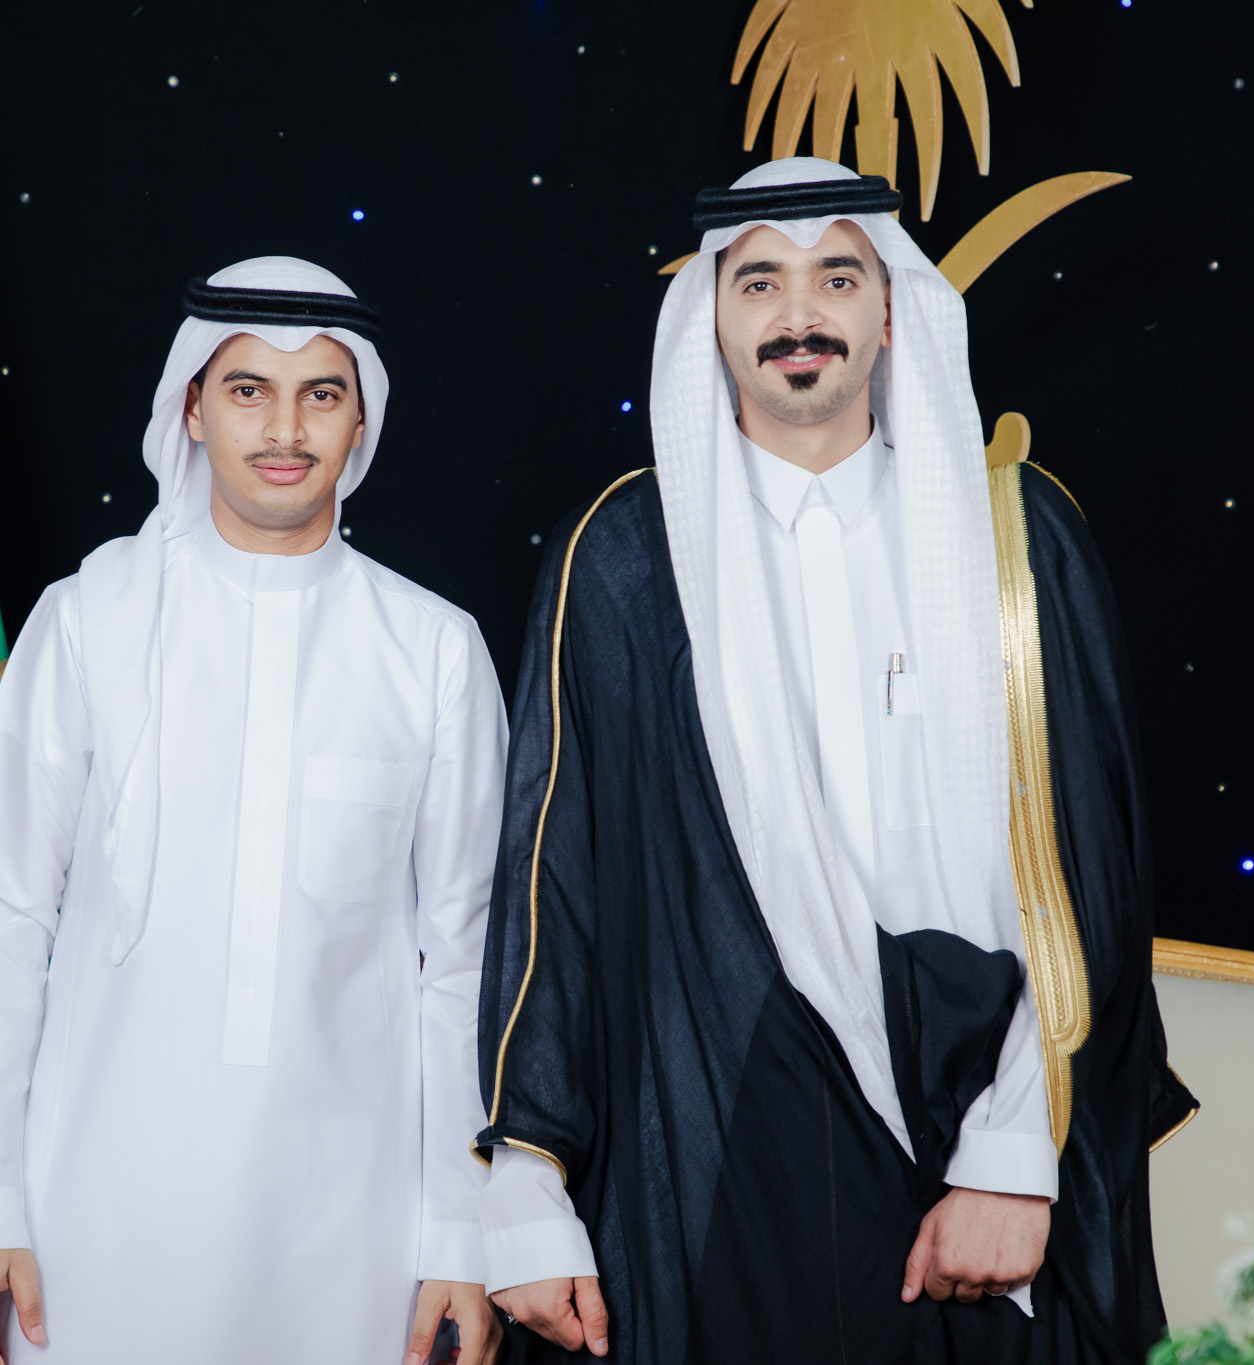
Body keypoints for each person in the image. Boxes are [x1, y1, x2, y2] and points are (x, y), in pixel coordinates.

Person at [473, 159, 1197, 1362]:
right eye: (758, 281)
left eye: (837, 278)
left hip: (981, 1136)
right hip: (730, 1121)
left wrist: (1016, 1153)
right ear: (710, 318)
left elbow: (1094, 868)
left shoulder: (1019, 540)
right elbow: (557, 878)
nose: (797, 313)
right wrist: (525, 1178)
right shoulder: (624, 555)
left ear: (891, 309)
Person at [0, 258, 504, 1365]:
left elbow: (465, 964)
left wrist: (461, 1235)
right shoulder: (87, 619)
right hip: (87, 1217)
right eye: (247, 391)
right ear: (190, 408)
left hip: (358, 1232)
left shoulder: (433, 649)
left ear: (361, 419)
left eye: (320, 394)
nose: (284, 429)